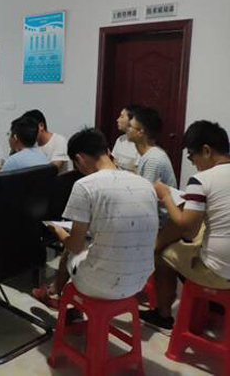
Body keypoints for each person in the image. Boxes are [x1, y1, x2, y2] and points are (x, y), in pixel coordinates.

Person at [31, 128, 159, 307]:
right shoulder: (145, 184)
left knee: (69, 250)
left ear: (79, 159)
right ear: (107, 151)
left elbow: (75, 246)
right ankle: (54, 292)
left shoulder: (85, 185)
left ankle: (55, 293)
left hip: (100, 283)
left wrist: (57, 230)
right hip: (139, 280)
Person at [141, 121, 230, 330]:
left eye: (192, 156)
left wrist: (166, 196)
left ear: (206, 150)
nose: (193, 164)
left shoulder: (202, 180)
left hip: (220, 271)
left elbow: (187, 229)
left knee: (163, 254)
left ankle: (163, 315)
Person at [126, 106, 177, 187]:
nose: (127, 129)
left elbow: (146, 192)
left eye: (130, 126)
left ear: (140, 132)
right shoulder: (149, 154)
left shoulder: (153, 159)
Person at [23, 109, 72, 174]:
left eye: (30, 128)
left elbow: (55, 168)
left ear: (41, 126)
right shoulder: (32, 145)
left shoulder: (59, 140)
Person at [111, 104, 140, 172]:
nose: (117, 120)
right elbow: (113, 162)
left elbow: (137, 171)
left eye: (122, 117)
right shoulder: (120, 139)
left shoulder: (140, 143)